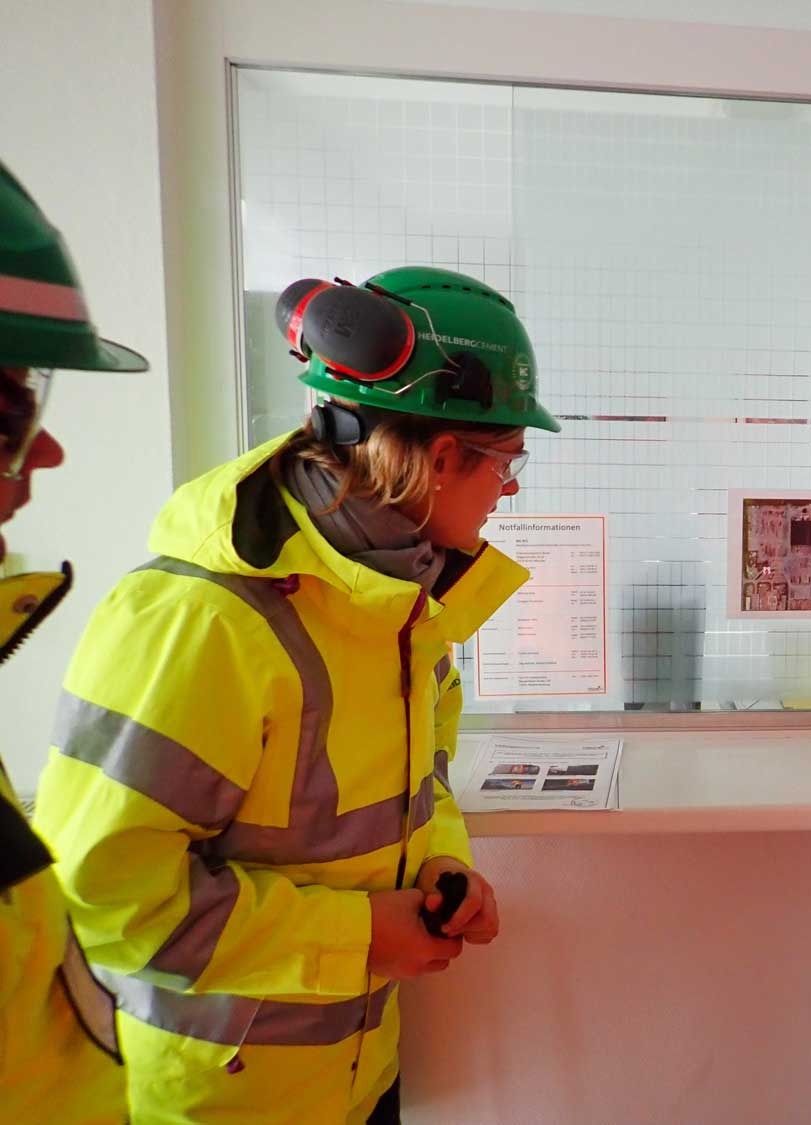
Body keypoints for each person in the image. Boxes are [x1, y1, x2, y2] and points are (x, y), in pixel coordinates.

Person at [34, 266, 561, 1122]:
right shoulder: (203, 617)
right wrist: (358, 937)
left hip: (356, 1078)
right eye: (507, 461)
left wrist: (444, 866)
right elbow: (107, 894)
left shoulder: (402, 603)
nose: (509, 489)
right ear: (440, 457)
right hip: (214, 1102)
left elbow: (424, 774)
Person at [0, 160, 149, 1123]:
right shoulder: (205, 621)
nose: (45, 449)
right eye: (9, 413)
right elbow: (126, 889)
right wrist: (357, 933)